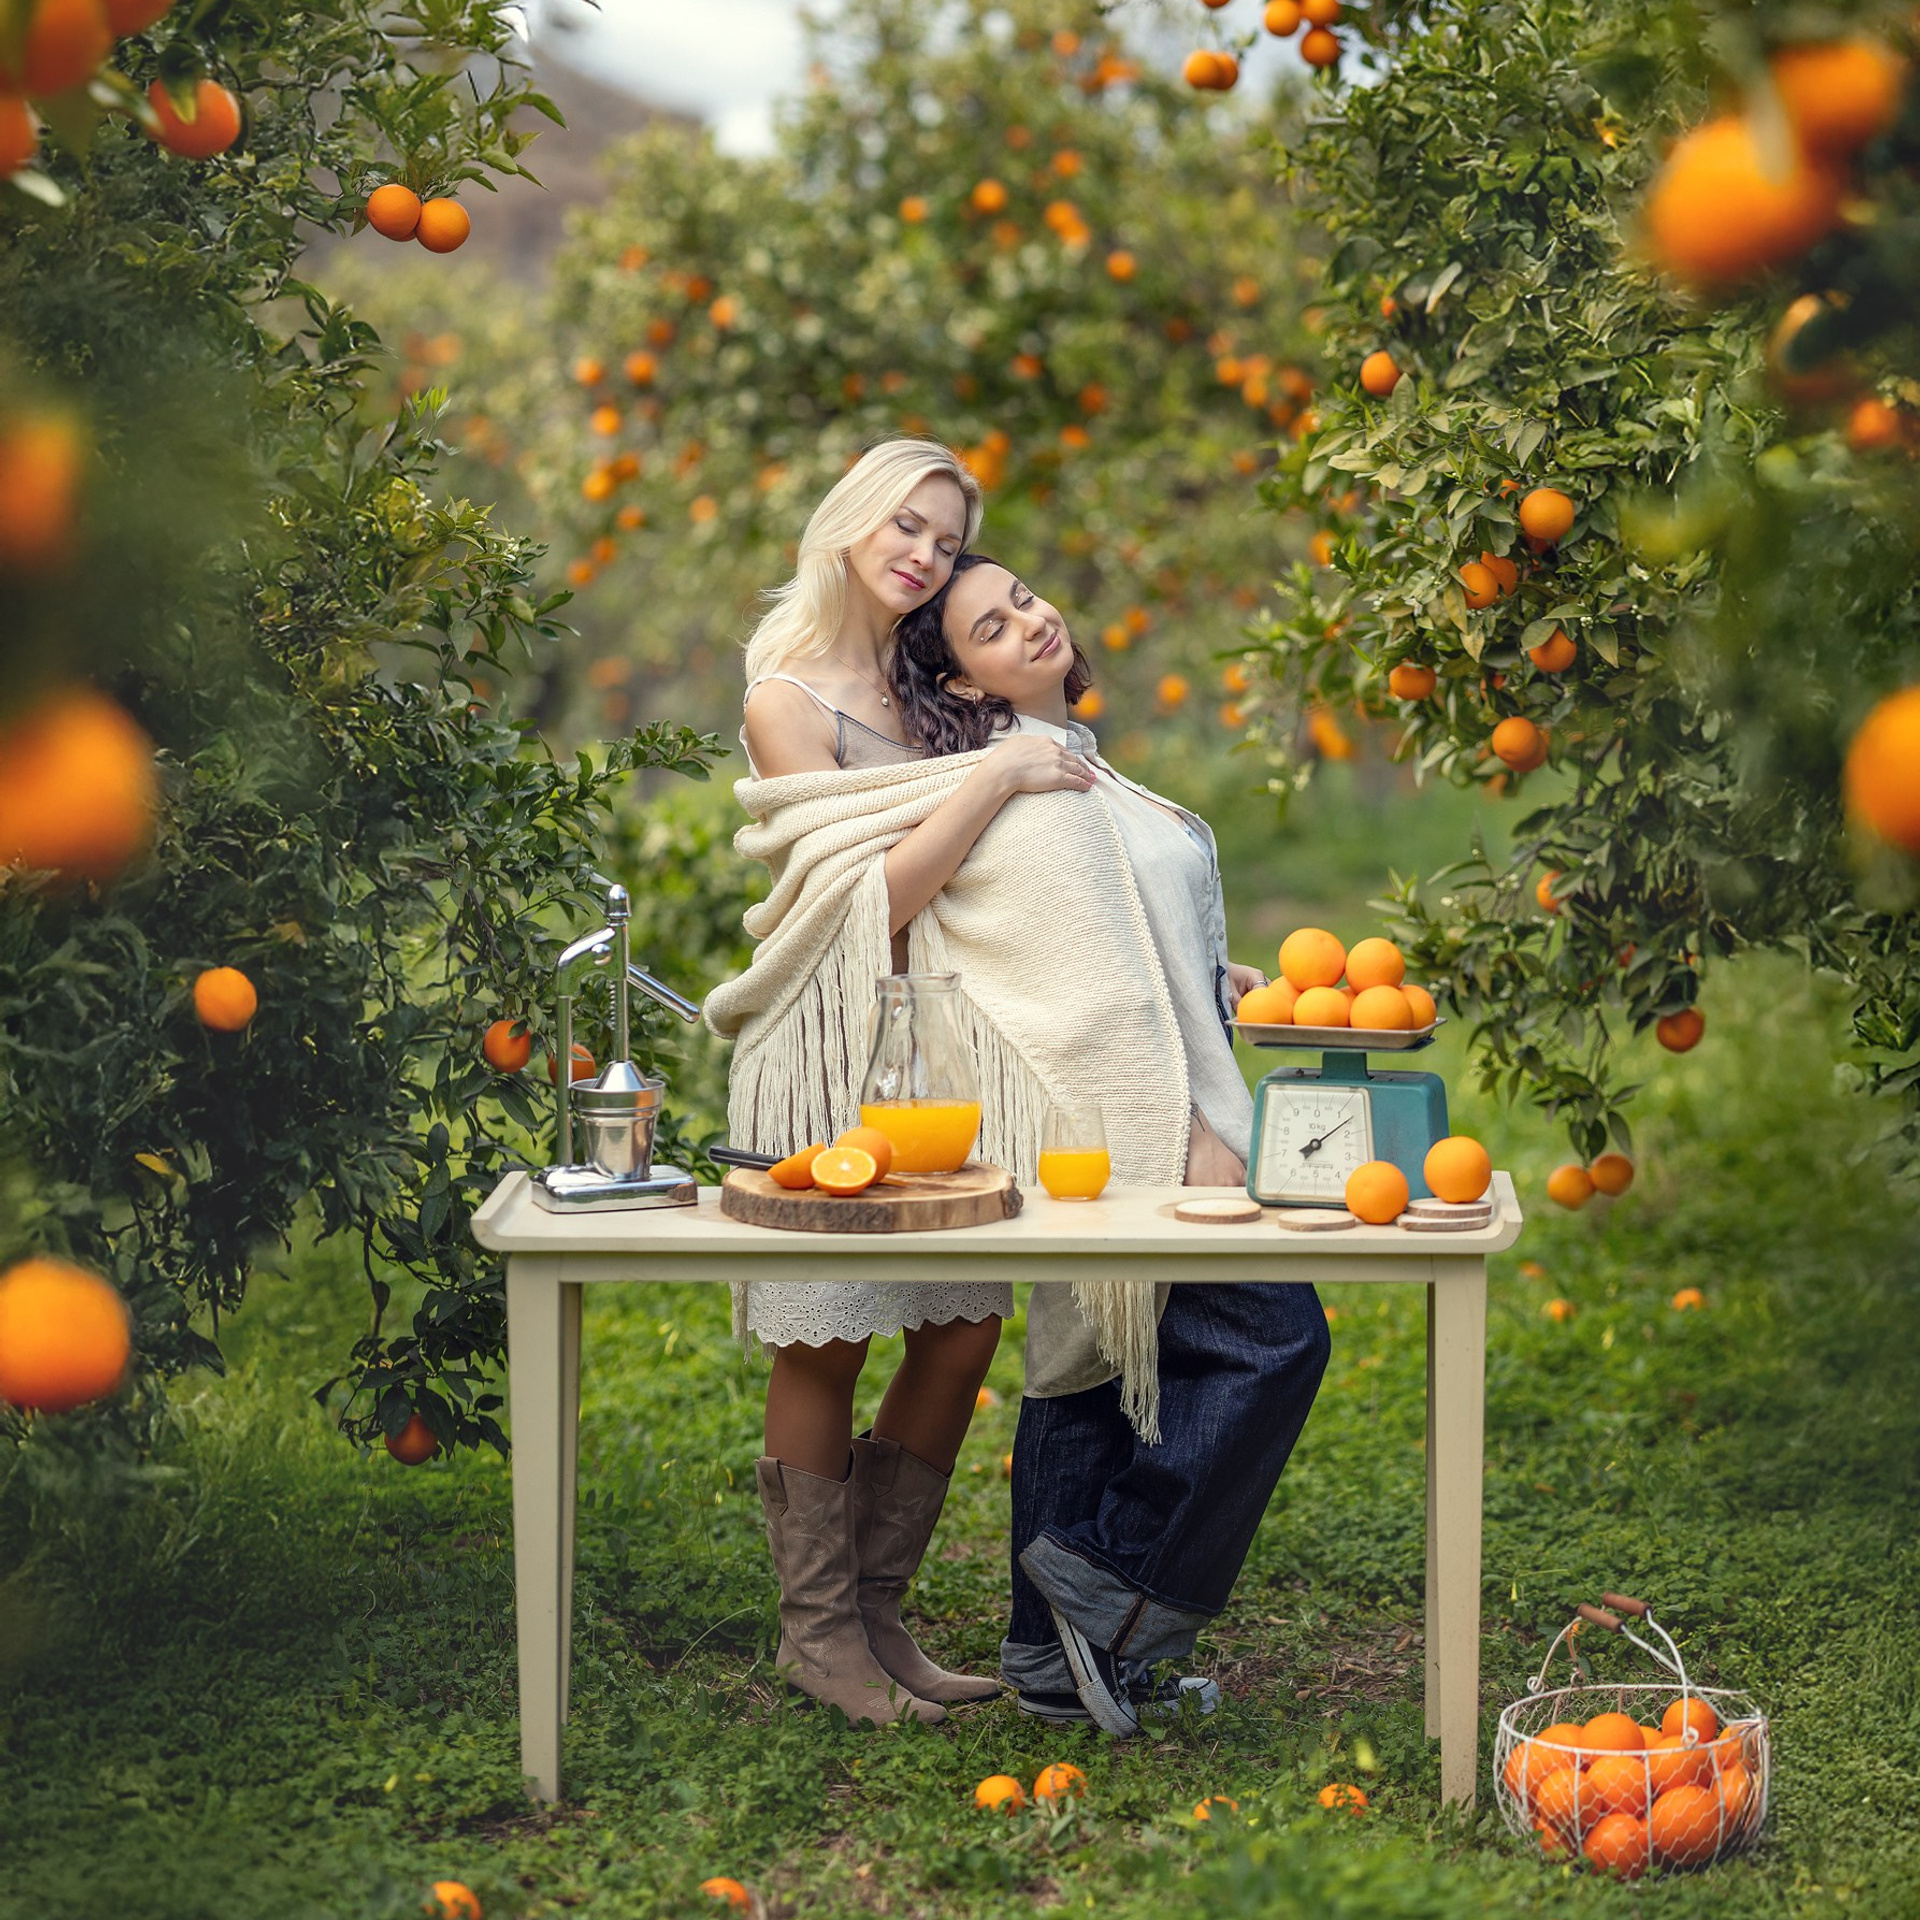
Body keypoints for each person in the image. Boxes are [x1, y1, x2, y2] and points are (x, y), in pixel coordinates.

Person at [885, 553, 1332, 1736]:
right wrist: (1182, 1129)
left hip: (1141, 1112)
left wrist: (1214, 977)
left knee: (1090, 1373)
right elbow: (1086, 995)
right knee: (1274, 1339)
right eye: (991, 627)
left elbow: (1126, 946)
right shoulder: (1027, 789)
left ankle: (1048, 1660)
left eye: (1025, 599)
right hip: (1136, 1130)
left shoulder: (1073, 765)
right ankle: (1110, 1584)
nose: (1030, 622)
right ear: (960, 681)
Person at [717, 439, 1097, 1728]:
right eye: (909, 525)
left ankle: (879, 1613)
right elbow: (861, 905)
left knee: (961, 1325)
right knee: (828, 1337)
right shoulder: (788, 699)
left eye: (946, 538)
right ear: (852, 520)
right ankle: (818, 1635)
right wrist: (990, 775)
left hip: (933, 1046)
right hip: (826, 1046)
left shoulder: (931, 679)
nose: (926, 554)